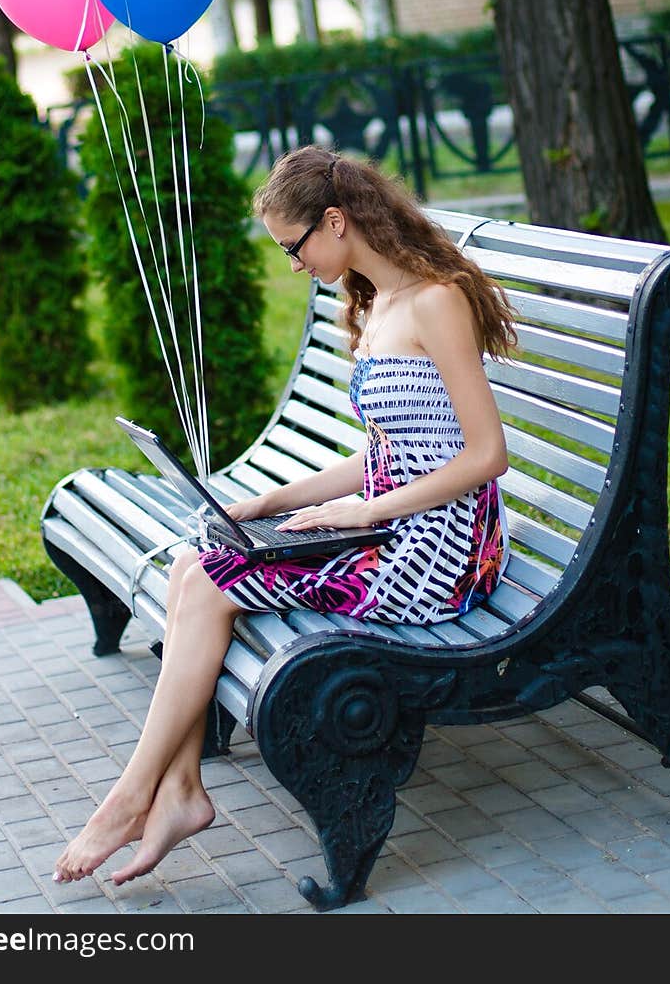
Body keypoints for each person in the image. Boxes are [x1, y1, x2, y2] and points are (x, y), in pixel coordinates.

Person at [53, 145, 518, 886]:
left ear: (335, 221)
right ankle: (176, 790)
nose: (294, 265)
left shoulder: (435, 300)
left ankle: (134, 795)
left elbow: (485, 457)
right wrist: (275, 501)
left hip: (437, 550)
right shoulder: (376, 303)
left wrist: (364, 511)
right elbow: (393, 453)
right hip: (391, 525)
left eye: (294, 247)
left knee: (207, 582)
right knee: (189, 563)